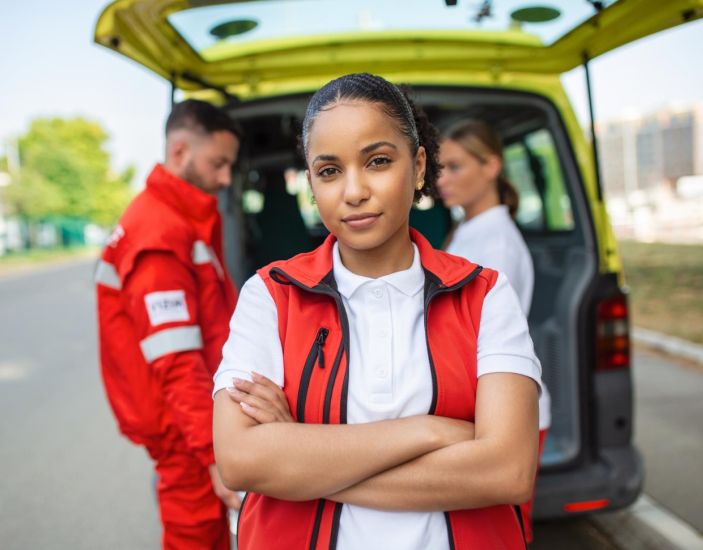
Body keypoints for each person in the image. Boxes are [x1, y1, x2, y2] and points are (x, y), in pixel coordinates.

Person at [211, 73, 542, 550]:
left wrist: (299, 458)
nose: (354, 191)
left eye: (378, 162)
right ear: (311, 182)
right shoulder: (270, 294)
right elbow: (241, 461)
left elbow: (507, 472)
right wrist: (431, 432)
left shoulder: (484, 293)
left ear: (420, 164)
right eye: (328, 171)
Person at [95, 99, 242, 550]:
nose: (225, 178)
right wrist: (215, 456)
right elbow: (175, 361)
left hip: (192, 422)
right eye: (218, 163)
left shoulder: (179, 219)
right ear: (179, 152)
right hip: (185, 430)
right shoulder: (158, 233)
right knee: (194, 536)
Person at [437, 118, 552, 543]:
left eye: (455, 167)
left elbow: (475, 341)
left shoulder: (495, 243)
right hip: (482, 410)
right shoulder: (470, 230)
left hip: (502, 417)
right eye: (438, 168)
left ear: (491, 166)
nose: (442, 179)